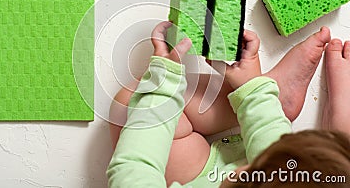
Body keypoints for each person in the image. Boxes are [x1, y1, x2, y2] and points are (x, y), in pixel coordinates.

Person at [107, 21, 349, 187]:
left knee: (128, 104)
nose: (242, 171)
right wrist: (252, 90)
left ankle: (276, 101)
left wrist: (164, 79)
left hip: (204, 176)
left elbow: (133, 169)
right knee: (335, 155)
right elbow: (278, 163)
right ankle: (274, 100)